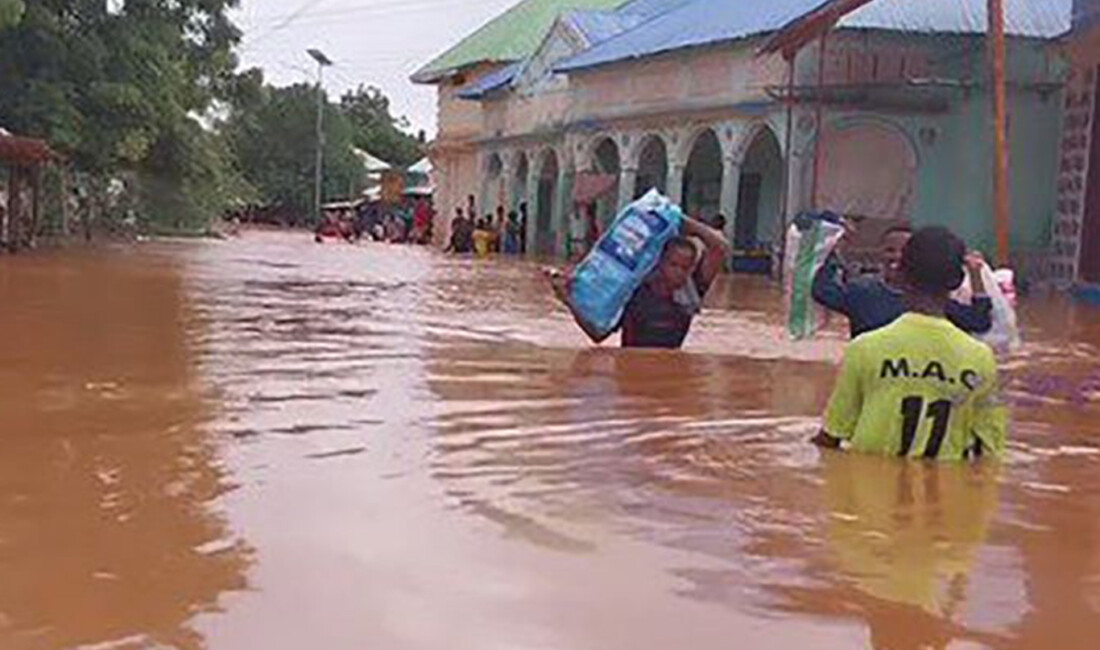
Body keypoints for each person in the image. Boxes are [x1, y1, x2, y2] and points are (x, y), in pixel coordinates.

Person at [812, 226, 1007, 461]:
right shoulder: (980, 358)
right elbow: (990, 450)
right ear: (956, 282)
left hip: (870, 490)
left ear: (902, 274)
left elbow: (831, 436)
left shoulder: (863, 349)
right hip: (945, 490)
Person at [548, 216, 732, 349]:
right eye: (673, 264)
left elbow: (720, 248)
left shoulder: (690, 292)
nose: (679, 273)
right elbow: (598, 335)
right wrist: (568, 299)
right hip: (629, 377)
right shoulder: (633, 291)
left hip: (671, 378)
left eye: (686, 268)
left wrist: (679, 220)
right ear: (658, 263)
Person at [812, 225, 993, 338]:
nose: (897, 257)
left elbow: (979, 321)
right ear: (879, 253)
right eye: (890, 250)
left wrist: (976, 274)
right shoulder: (863, 292)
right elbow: (822, 291)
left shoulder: (931, 301)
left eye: (904, 252)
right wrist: (833, 252)